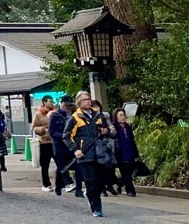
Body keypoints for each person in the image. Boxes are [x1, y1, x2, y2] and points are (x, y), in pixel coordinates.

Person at [64, 90, 113, 218]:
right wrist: (75, 149)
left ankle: (91, 195)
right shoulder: (75, 118)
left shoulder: (98, 115)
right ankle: (96, 208)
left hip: (100, 153)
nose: (88, 101)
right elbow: (66, 136)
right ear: (79, 102)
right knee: (91, 182)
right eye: (85, 99)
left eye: (89, 98)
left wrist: (105, 131)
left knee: (101, 181)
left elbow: (108, 130)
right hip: (85, 154)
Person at [51, 95, 81, 196]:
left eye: (69, 105)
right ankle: (58, 186)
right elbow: (52, 132)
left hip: (72, 145)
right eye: (66, 105)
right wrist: (64, 136)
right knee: (61, 168)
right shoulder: (55, 116)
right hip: (60, 146)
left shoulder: (74, 115)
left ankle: (79, 189)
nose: (68, 107)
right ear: (61, 104)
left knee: (78, 167)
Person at [113, 108, 140, 197]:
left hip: (130, 152)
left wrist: (136, 153)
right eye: (120, 115)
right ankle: (130, 190)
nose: (123, 117)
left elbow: (132, 140)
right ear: (116, 117)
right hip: (120, 154)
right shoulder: (114, 127)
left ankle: (119, 183)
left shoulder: (128, 127)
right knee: (126, 173)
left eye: (124, 115)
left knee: (130, 172)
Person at [32, 96, 57, 191]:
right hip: (44, 142)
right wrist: (43, 129)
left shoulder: (55, 112)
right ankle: (46, 184)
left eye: (52, 101)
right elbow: (34, 128)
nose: (52, 102)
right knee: (45, 165)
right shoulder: (38, 114)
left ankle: (62, 183)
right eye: (50, 101)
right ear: (44, 102)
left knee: (60, 162)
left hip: (55, 142)